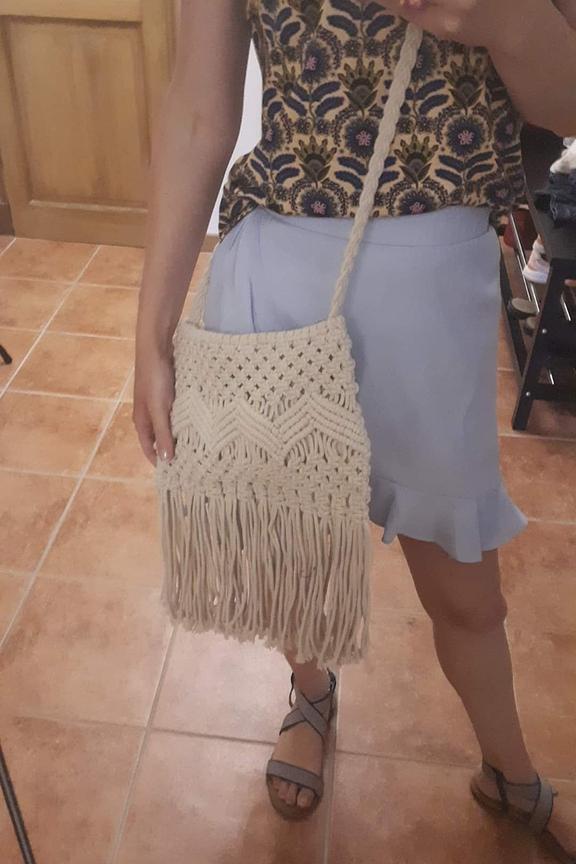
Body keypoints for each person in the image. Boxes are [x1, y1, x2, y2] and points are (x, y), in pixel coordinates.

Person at [133, 0, 576, 856]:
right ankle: (310, 694)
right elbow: (197, 107)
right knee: (292, 545)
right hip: (276, 270)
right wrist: (150, 332)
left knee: (466, 593)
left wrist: (506, 19)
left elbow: (567, 104)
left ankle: (507, 766)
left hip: (436, 288)